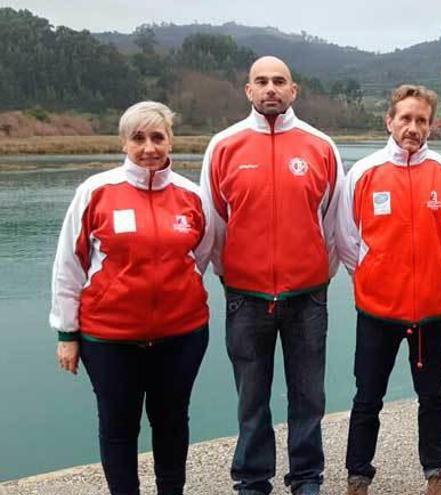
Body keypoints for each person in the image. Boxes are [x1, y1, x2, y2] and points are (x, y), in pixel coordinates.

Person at [51, 101, 212, 495]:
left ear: (170, 140)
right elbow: (70, 264)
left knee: (172, 422)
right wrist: (67, 333)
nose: (149, 148)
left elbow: (200, 256)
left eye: (157, 137)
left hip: (181, 336)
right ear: (124, 142)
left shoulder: (191, 196)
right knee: (119, 427)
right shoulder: (95, 191)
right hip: (109, 339)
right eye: (138, 138)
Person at [199, 56, 343, 495]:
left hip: (307, 296)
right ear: (248, 90)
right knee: (251, 397)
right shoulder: (224, 146)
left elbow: (335, 226)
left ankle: (306, 478)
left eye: (279, 81)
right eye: (261, 81)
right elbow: (212, 225)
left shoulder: (321, 146)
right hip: (246, 296)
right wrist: (234, 277)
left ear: (293, 90)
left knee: (309, 396)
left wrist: (314, 274)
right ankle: (252, 479)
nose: (270, 88)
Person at [336, 84, 441, 495]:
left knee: (432, 396)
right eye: (405, 118)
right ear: (389, 120)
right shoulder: (362, 172)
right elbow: (346, 239)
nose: (413, 127)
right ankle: (358, 475)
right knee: (367, 397)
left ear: (431, 125)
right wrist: (377, 275)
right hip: (377, 310)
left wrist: (431, 272)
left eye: (421, 120)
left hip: (430, 310)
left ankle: (436, 474)